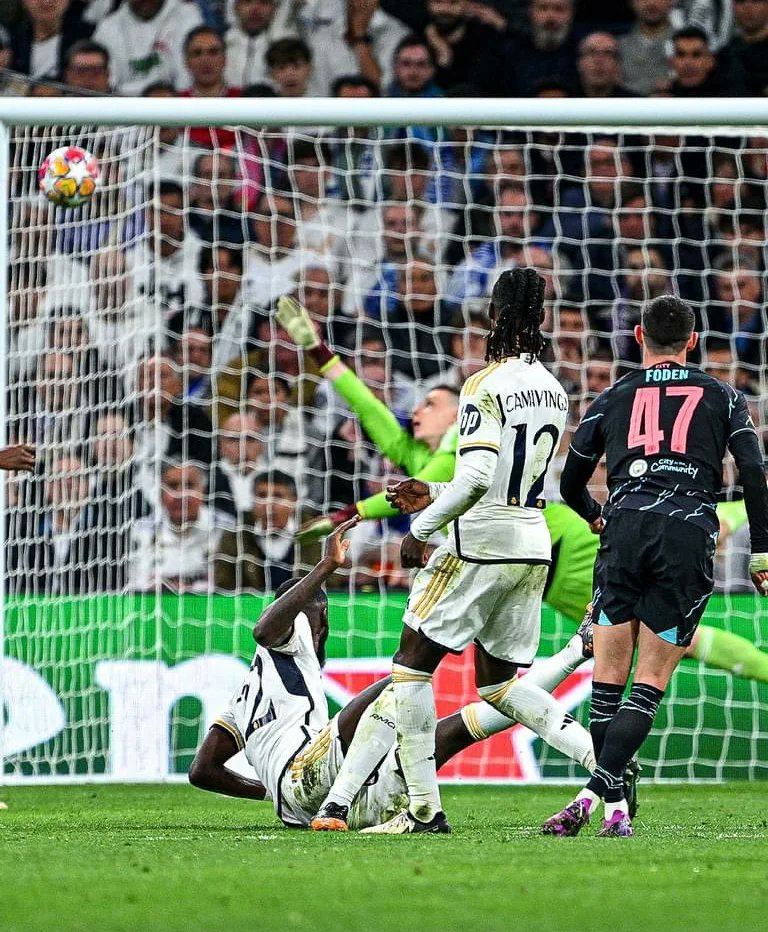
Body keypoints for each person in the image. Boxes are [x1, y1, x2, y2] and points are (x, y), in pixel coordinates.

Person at [191, 519, 595, 828]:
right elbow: (264, 630)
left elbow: (203, 771)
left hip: (317, 798)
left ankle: (575, 652)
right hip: (307, 777)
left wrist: (271, 795)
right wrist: (326, 568)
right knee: (403, 682)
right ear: (320, 619)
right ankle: (336, 803)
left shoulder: (245, 694)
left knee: (457, 729)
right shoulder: (289, 640)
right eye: (320, 613)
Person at [349, 268, 568, 834]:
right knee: (498, 685)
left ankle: (424, 810)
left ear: (496, 316)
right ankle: (607, 768)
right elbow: (503, 480)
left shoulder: (483, 384)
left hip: (482, 543)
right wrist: (434, 492)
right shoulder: (555, 389)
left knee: (410, 666)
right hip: (532, 542)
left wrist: (420, 528)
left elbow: (475, 480)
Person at [542, 294, 768, 839]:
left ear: (638, 338)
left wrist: (597, 516)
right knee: (650, 679)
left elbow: (569, 483)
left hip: (623, 533)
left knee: (607, 679)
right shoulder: (723, 396)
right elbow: (756, 474)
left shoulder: (611, 396)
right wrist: (761, 551)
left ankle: (614, 809)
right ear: (693, 342)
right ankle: (595, 793)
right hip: (686, 536)